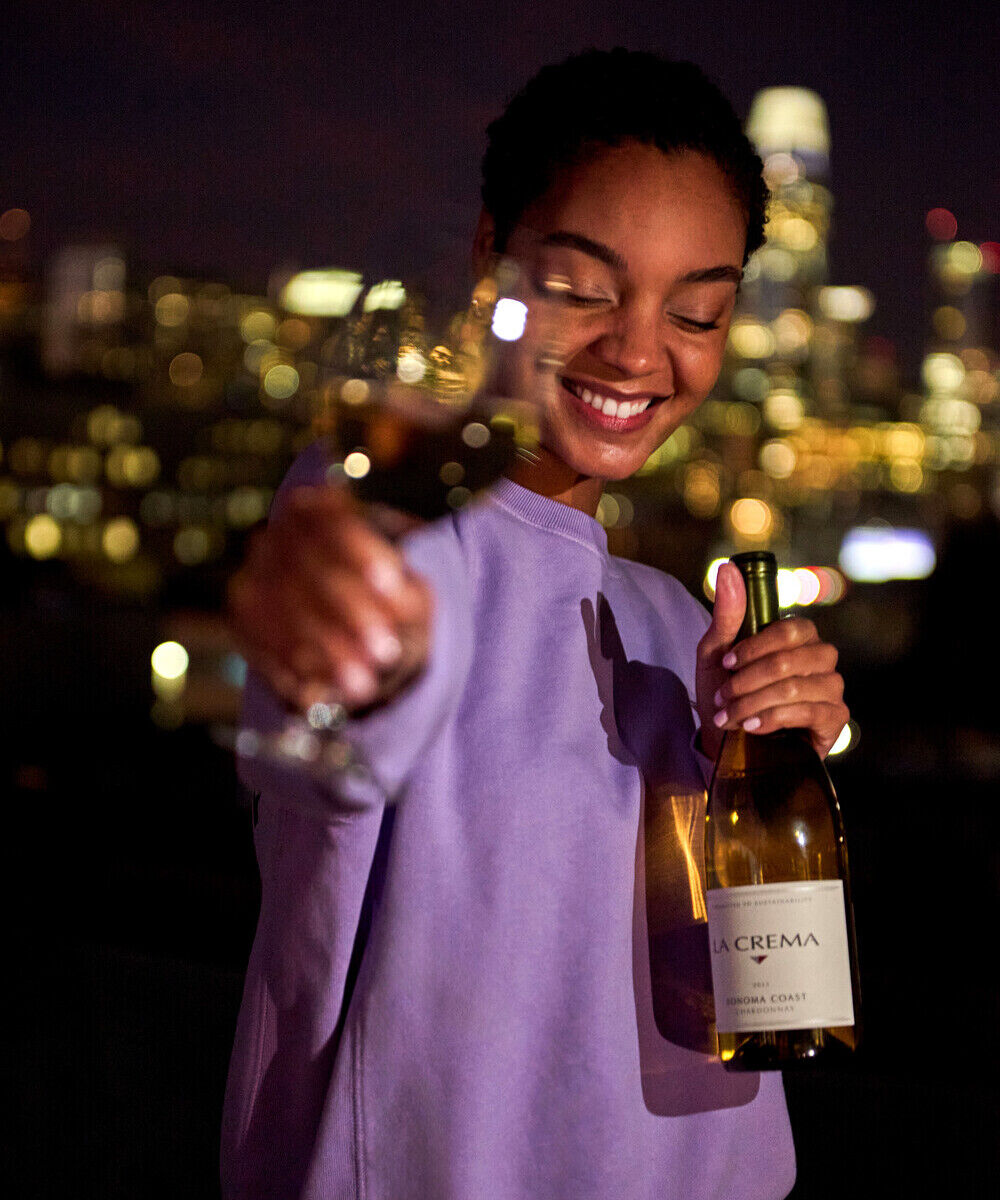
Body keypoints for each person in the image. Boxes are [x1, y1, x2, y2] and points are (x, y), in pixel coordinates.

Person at [221, 48, 849, 1200]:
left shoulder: (670, 617)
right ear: (490, 257)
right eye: (585, 286)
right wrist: (334, 645)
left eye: (696, 308)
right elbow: (339, 729)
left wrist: (762, 753)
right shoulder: (399, 518)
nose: (639, 349)